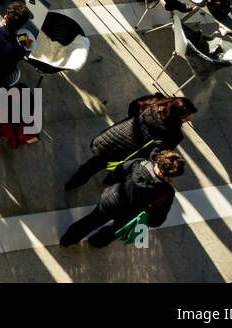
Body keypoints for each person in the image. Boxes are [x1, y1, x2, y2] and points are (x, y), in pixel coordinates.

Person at [64, 95, 196, 190]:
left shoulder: (154, 102)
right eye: (187, 118)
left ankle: (73, 183)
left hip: (113, 137)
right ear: (180, 117)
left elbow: (133, 105)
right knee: (114, 168)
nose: (189, 120)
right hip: (125, 153)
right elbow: (156, 153)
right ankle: (108, 179)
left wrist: (133, 119)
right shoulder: (173, 134)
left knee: (92, 165)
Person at [59, 150, 184, 248]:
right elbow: (157, 219)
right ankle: (96, 242)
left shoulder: (140, 163)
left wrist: (112, 180)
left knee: (91, 221)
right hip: (129, 215)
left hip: (111, 200)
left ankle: (68, 240)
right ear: (171, 175)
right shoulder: (166, 193)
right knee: (114, 231)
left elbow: (118, 171)